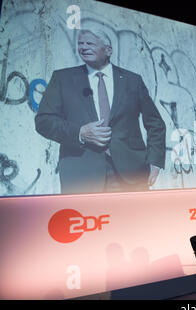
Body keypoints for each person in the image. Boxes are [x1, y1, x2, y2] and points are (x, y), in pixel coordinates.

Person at [35, 29, 166, 194]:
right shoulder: (63, 79)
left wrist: (155, 162)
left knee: (133, 219)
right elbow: (43, 121)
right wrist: (80, 133)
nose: (83, 47)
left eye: (90, 43)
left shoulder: (132, 81)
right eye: (80, 44)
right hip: (82, 177)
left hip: (132, 175)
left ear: (108, 50)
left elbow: (155, 123)